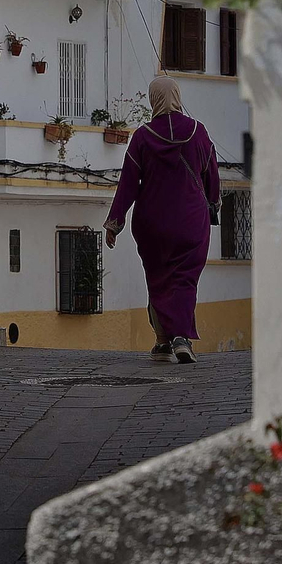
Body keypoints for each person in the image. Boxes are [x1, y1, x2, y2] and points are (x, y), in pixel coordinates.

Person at [103, 76, 220, 364]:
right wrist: (213, 205)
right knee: (184, 279)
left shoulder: (143, 137)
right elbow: (211, 175)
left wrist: (114, 222)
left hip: (152, 222)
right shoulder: (198, 132)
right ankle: (180, 338)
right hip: (191, 221)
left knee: (158, 278)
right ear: (177, 96)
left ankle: (163, 341)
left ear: (153, 99)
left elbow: (128, 183)